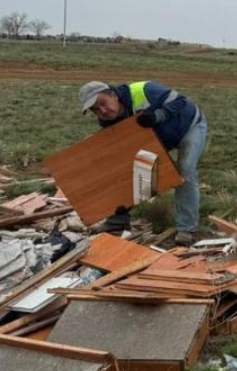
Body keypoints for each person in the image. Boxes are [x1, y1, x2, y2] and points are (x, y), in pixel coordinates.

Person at [79, 79, 207, 247]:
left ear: (113, 95)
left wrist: (156, 116)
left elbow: (181, 101)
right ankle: (118, 220)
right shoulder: (107, 120)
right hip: (158, 138)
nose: (102, 111)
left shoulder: (145, 90)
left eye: (103, 103)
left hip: (188, 126)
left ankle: (187, 229)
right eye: (95, 109)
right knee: (123, 166)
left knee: (185, 169)